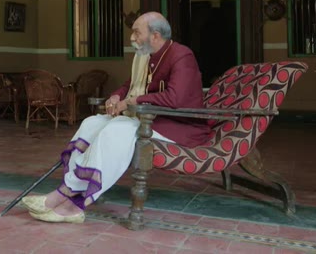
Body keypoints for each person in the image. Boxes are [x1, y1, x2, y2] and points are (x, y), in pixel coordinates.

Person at [22, 12, 209, 223]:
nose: (132, 38)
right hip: (149, 118)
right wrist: (117, 96)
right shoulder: (146, 56)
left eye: (137, 32)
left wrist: (132, 101)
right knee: (91, 123)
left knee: (116, 130)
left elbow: (175, 97)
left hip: (178, 126)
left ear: (155, 35)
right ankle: (67, 190)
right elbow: (129, 85)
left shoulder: (182, 55)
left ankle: (73, 202)